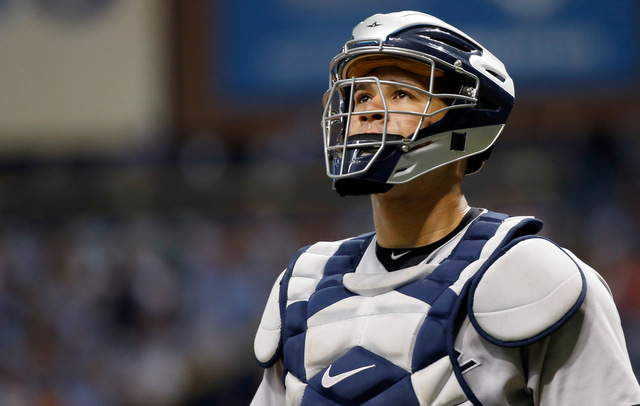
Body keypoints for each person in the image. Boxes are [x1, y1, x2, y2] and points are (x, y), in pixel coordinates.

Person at [250, 10, 640, 406]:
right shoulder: (302, 283)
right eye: (363, 95)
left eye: (401, 94)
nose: (367, 111)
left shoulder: (536, 276)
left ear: (465, 128)